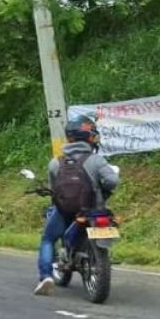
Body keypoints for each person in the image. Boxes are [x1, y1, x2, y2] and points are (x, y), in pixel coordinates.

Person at [35, 111, 120, 296]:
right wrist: (103, 190)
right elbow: (112, 181)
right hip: (93, 210)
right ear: (89, 138)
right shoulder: (96, 160)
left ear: (70, 137)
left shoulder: (55, 163)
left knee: (48, 239)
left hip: (65, 211)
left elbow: (53, 189)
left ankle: (46, 276)